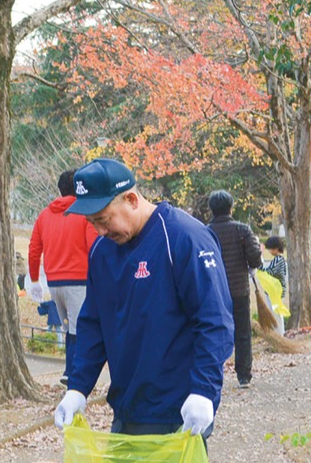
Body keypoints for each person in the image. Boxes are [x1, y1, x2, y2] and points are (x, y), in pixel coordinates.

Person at [52, 159, 233, 437]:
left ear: (132, 199)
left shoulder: (184, 238)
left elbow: (215, 322)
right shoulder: (102, 251)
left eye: (103, 220)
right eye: (92, 223)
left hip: (179, 413)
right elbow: (94, 323)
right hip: (126, 410)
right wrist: (78, 387)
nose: (99, 231)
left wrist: (204, 391)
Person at [27, 169, 98, 385]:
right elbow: (94, 247)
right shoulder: (84, 214)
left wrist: (34, 280)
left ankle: (72, 370)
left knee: (69, 327)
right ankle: (73, 373)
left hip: (54, 281)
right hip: (79, 280)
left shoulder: (44, 215)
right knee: (79, 328)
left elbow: (34, 249)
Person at [206, 190, 262, 388]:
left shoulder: (205, 232)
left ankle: (213, 373)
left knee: (212, 332)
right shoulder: (242, 230)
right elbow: (255, 258)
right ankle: (243, 375)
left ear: (211, 209)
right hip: (239, 290)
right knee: (242, 332)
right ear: (231, 208)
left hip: (213, 292)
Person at [263, 236, 288, 336]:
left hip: (275, 291)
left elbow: (269, 272)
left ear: (276, 248)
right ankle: (279, 334)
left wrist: (260, 264)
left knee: (276, 314)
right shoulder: (279, 260)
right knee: (276, 313)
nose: (269, 251)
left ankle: (279, 335)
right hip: (276, 291)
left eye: (270, 248)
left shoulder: (278, 260)